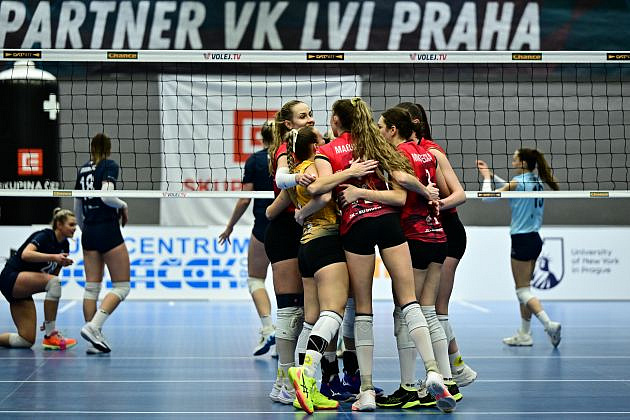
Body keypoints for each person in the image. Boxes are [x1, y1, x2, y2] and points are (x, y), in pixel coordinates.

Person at [307, 97, 455, 413]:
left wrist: (350, 182)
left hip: (355, 225)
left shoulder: (327, 151)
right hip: (388, 221)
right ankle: (433, 371)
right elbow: (401, 194)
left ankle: (366, 391)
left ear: (336, 120)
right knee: (410, 301)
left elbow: (318, 190)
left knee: (363, 309)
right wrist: (424, 191)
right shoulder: (377, 145)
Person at [376, 107, 466, 409]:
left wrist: (424, 192)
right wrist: (431, 194)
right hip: (438, 236)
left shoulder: (399, 153)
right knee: (428, 311)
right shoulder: (428, 153)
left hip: (413, 236)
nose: (378, 131)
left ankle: (410, 387)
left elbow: (402, 177)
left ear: (393, 130)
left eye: (381, 126)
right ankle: (447, 380)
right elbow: (447, 190)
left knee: (406, 310)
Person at [267, 126, 358, 413]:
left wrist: (298, 212)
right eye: (321, 139)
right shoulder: (315, 167)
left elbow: (270, 211)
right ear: (314, 147)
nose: (326, 140)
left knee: (310, 319)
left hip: (304, 247)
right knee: (334, 311)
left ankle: (304, 391)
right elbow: (325, 197)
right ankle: (305, 374)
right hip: (325, 241)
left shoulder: (294, 175)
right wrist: (350, 172)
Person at [397, 102, 477, 387]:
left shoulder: (431, 151)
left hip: (446, 231)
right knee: (425, 307)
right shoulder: (404, 151)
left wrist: (435, 204)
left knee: (434, 308)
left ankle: (452, 374)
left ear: (413, 123)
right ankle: (453, 371)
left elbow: (459, 194)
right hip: (429, 231)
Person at [477, 149, 562, 347]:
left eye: (515, 159)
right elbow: (511, 187)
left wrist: (486, 178)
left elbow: (487, 197)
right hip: (535, 239)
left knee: (522, 291)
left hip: (521, 240)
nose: (512, 161)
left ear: (523, 163)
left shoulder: (518, 182)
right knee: (525, 289)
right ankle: (525, 334)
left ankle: (549, 325)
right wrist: (493, 176)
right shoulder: (536, 181)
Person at [265, 100, 313, 405]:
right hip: (284, 232)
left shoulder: (312, 149)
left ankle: (299, 378)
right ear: (288, 123)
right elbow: (282, 181)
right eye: (303, 116)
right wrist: (297, 181)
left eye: (311, 114)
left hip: (304, 229)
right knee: (290, 309)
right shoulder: (285, 148)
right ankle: (282, 381)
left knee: (308, 310)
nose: (310, 119)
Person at [219, 121, 275, 356]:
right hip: (288, 226)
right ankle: (286, 341)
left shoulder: (255, 160)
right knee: (292, 289)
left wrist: (229, 227)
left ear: (262, 137)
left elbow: (244, 199)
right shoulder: (290, 158)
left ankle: (268, 328)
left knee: (255, 279)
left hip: (262, 227)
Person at [74, 133, 131, 354]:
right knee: (122, 286)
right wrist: (123, 205)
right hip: (107, 229)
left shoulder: (82, 170)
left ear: (91, 148)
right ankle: (94, 327)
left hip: (88, 230)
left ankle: (94, 343)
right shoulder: (109, 165)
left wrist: (86, 229)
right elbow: (107, 197)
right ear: (108, 148)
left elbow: (77, 206)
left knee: (92, 287)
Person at [0, 208, 77, 350]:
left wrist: (49, 317)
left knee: (25, 341)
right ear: (59, 225)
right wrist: (54, 257)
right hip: (11, 277)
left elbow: (53, 276)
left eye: (75, 225)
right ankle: (50, 335)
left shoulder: (65, 245)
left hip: (22, 287)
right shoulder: (44, 236)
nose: (75, 228)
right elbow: (26, 254)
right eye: (71, 224)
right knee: (54, 283)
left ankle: (49, 330)